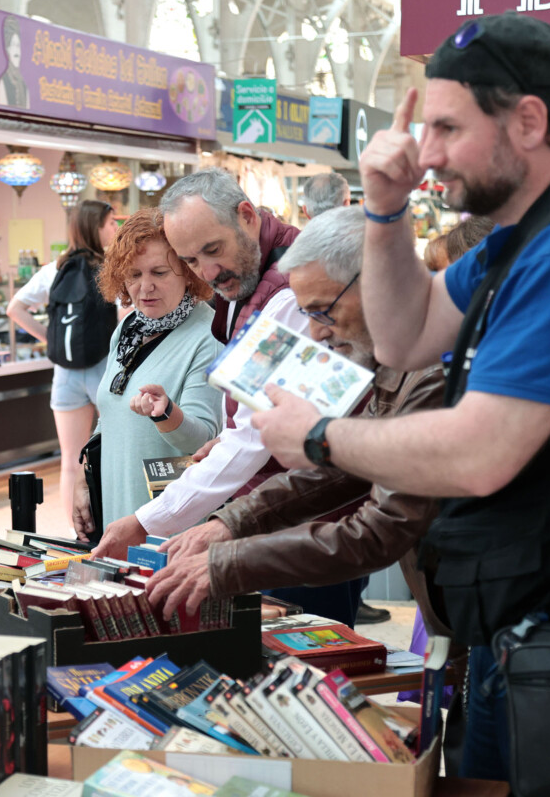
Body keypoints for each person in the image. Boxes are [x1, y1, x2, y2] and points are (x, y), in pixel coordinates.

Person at [251, 14, 550, 794]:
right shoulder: (529, 233)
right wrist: (383, 208)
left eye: (447, 126)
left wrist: (319, 437)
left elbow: (479, 453)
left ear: (530, 121)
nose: (429, 151)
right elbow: (405, 335)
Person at [144, 205, 448, 642]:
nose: (317, 334)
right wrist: (230, 525)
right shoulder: (399, 363)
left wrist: (227, 560)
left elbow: (379, 529)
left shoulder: (430, 373)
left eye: (323, 312)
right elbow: (347, 470)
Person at [89, 168, 307, 551]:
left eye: (213, 249)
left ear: (247, 217)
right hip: (277, 510)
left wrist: (147, 521)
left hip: (299, 519)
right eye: (191, 259)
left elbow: (251, 435)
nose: (207, 272)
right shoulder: (250, 286)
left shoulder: (284, 296)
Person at [81, 208, 222, 528]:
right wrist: (82, 476)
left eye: (159, 272)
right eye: (134, 274)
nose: (145, 288)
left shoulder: (209, 336)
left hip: (168, 526)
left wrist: (165, 412)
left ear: (188, 272)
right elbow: (110, 413)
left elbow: (203, 442)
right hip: (118, 511)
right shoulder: (129, 327)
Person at [7, 200, 118, 530]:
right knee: (113, 449)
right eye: (111, 223)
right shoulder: (112, 270)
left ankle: (76, 532)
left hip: (66, 374)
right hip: (104, 369)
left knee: (70, 458)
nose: (114, 229)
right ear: (95, 226)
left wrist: (50, 339)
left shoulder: (54, 269)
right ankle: (111, 524)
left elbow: (15, 308)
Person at [0, 15, 30, 109]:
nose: (16, 51)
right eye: (12, 45)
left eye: (18, 45)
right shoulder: (4, 82)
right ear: (7, 49)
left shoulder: (23, 84)